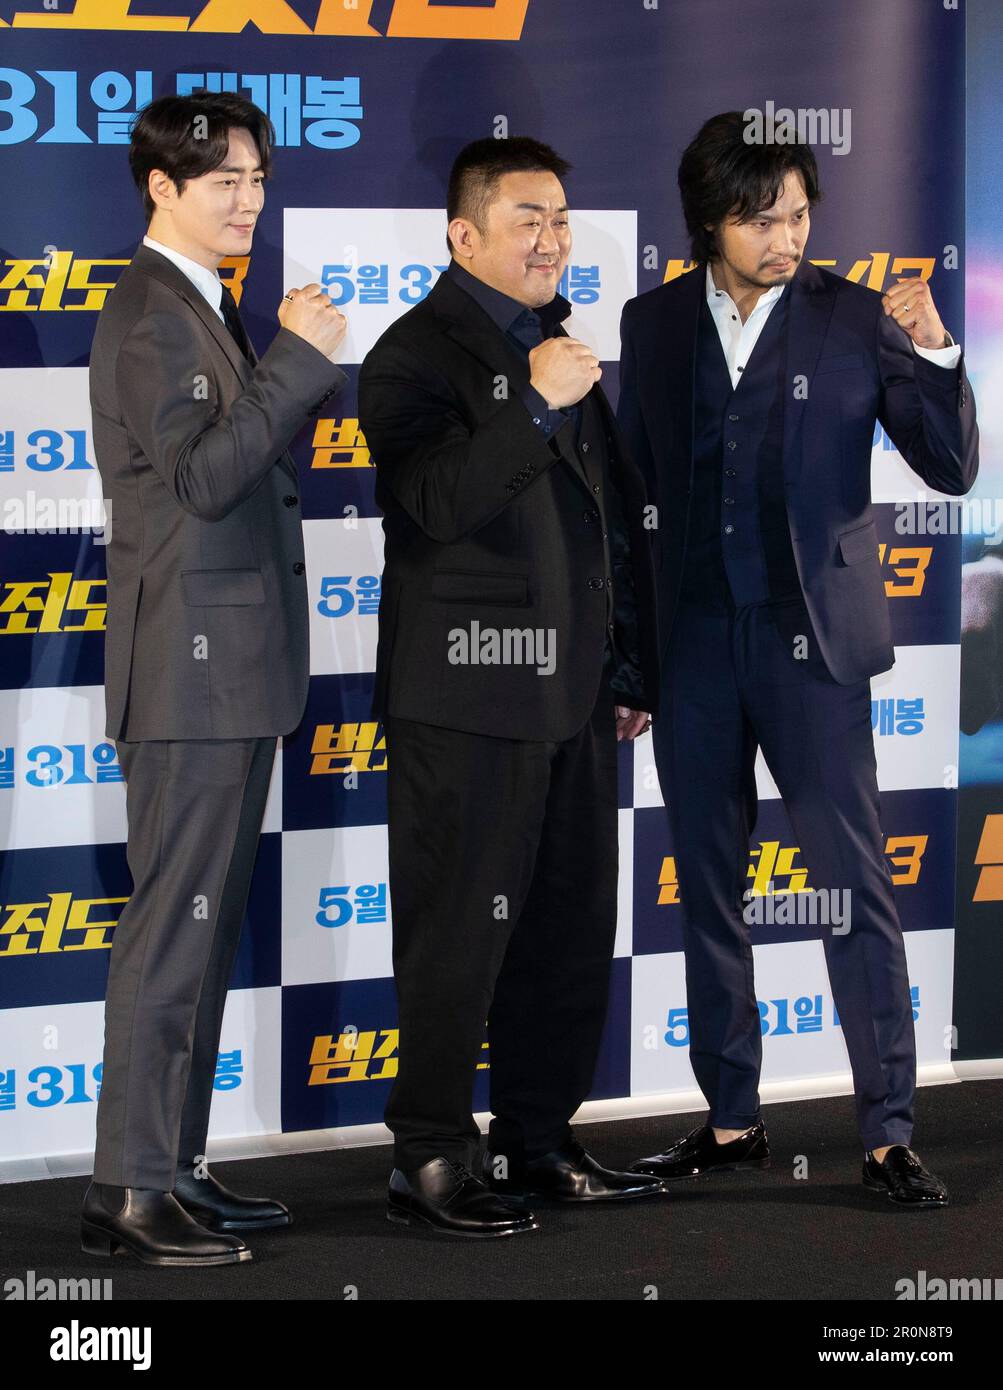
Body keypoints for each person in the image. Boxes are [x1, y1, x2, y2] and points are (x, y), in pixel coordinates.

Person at [618, 111, 978, 1207]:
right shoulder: (652, 323)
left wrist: (934, 350)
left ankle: (884, 1131)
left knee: (851, 886)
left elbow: (952, 467)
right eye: (762, 217)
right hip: (690, 648)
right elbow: (639, 502)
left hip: (811, 647)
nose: (788, 235)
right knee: (711, 889)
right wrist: (632, 667)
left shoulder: (856, 316)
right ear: (709, 222)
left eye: (799, 214)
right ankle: (731, 1121)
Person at [358, 136, 666, 1238]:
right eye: (528, 217)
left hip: (577, 697)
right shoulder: (411, 353)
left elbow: (605, 526)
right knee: (455, 935)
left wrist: (628, 668)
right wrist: (530, 405)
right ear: (464, 234)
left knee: (570, 927)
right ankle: (431, 1153)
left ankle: (538, 1138)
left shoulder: (558, 341)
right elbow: (434, 504)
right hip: (466, 701)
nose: (553, 238)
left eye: (561, 219)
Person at [83, 91, 348, 1265]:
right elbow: (203, 478)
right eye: (223, 181)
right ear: (163, 189)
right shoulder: (152, 311)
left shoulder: (199, 303)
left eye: (256, 178)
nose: (248, 199)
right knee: (170, 936)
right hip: (190, 678)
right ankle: (128, 1193)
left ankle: (173, 1171)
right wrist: (298, 361)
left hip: (232, 673)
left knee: (203, 928)